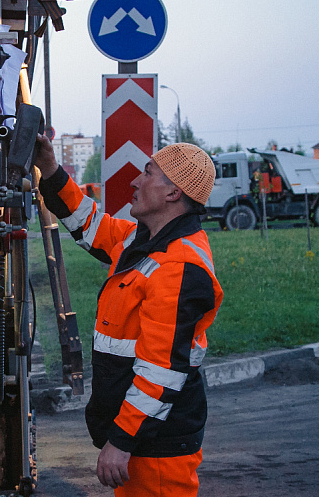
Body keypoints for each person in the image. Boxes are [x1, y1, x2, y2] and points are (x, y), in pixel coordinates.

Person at [34, 135, 223, 496]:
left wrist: (121, 441)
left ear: (173, 193)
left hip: (157, 448)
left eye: (148, 173)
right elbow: (90, 224)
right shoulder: (144, 241)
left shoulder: (179, 266)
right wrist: (51, 168)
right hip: (145, 440)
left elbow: (160, 372)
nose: (135, 181)